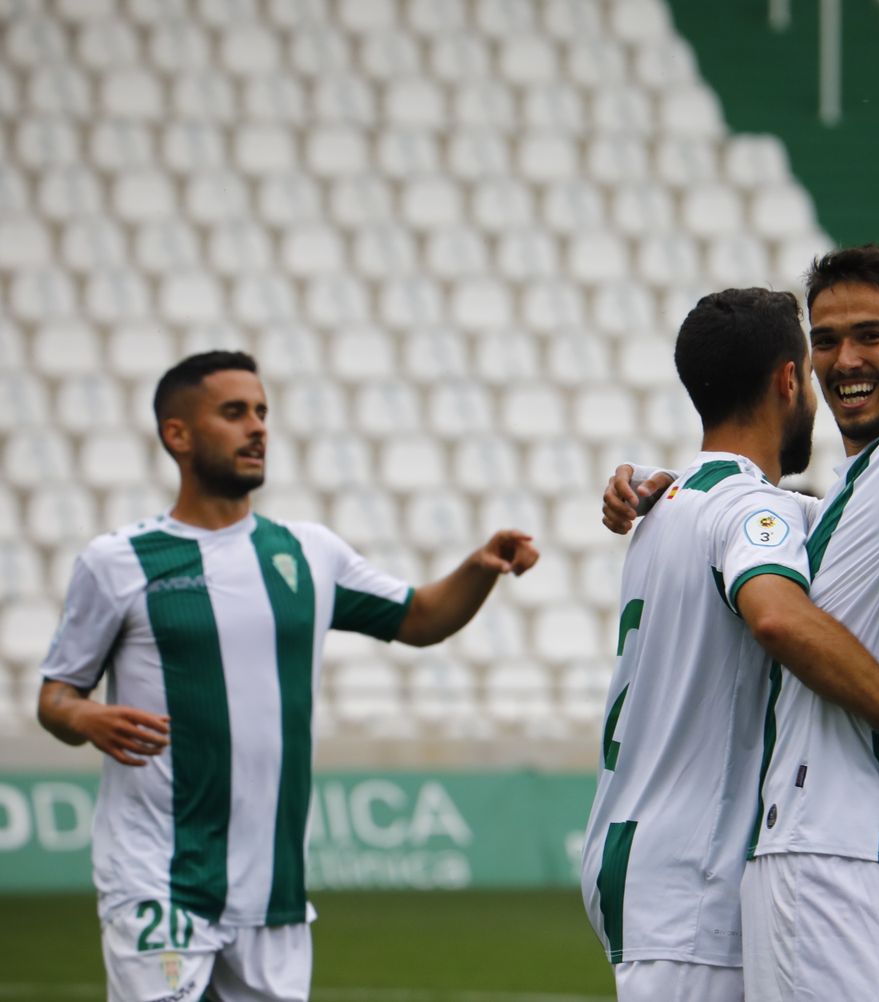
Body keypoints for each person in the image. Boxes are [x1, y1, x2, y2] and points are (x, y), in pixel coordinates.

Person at [36, 350, 539, 1002]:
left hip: (273, 893)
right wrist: (83, 716)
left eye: (263, 412)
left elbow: (418, 618)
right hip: (158, 880)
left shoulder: (307, 551)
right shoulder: (117, 562)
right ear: (177, 434)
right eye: (234, 412)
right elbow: (55, 694)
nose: (257, 427)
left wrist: (480, 566)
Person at [579, 288, 879, 1002]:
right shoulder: (750, 509)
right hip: (693, 875)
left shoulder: (668, 504)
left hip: (641, 851)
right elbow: (779, 618)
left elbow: (835, 524)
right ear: (790, 380)